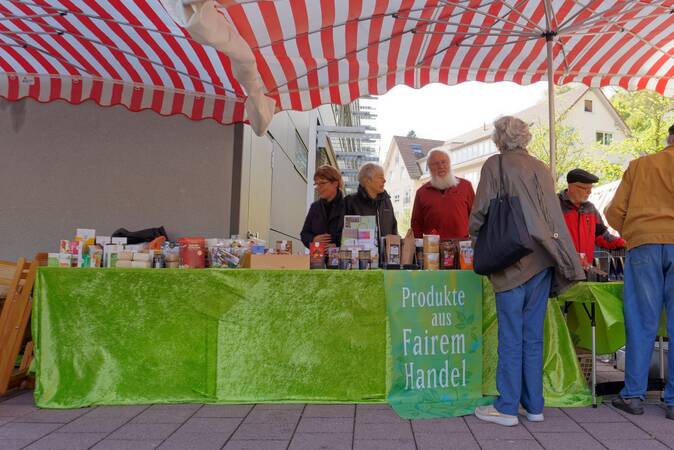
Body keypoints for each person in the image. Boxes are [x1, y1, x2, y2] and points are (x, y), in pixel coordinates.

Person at [469, 116, 585, 427]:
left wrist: (475, 234)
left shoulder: (496, 165)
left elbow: (480, 211)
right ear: (525, 138)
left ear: (498, 138)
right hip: (543, 259)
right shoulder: (541, 167)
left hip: (512, 259)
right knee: (533, 336)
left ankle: (506, 407)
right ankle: (534, 405)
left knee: (511, 335)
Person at [605, 125, 674, 418]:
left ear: (668, 139)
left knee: (642, 322)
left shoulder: (641, 165)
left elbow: (613, 211)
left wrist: (634, 231)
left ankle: (633, 395)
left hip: (644, 244)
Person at [559, 168, 626, 264]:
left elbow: (601, 236)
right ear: (572, 187)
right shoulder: (555, 205)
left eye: (590, 188)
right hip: (560, 267)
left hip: (585, 267)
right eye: (585, 188)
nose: (589, 192)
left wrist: (623, 243)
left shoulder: (590, 208)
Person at [411, 148, 475, 240]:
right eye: (435, 163)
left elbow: (476, 217)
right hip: (432, 248)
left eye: (444, 162)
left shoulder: (466, 186)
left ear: (449, 164)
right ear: (429, 168)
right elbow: (416, 224)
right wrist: (418, 249)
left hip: (462, 246)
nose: (440, 166)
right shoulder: (422, 192)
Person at [344, 162, 398, 242]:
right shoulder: (350, 202)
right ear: (367, 181)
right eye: (380, 177)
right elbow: (343, 234)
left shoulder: (386, 201)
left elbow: (394, 230)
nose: (384, 180)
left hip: (385, 254)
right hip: (361, 253)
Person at [300, 165, 345, 249]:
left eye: (322, 183)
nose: (317, 187)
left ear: (335, 183)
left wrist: (339, 247)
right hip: (317, 259)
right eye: (316, 184)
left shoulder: (348, 206)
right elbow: (304, 234)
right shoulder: (314, 207)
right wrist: (313, 239)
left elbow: (356, 236)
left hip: (342, 260)